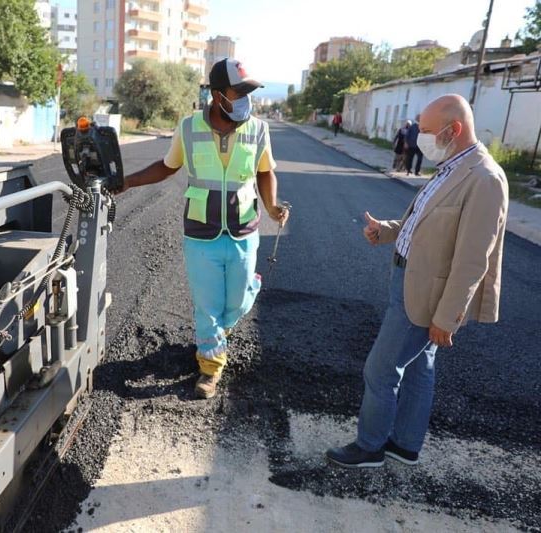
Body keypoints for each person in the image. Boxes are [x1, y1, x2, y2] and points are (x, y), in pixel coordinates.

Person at [326, 94, 509, 468]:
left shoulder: (484, 179)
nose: (416, 140)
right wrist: (389, 230)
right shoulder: (451, 167)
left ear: (453, 130)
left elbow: (474, 258)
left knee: (380, 368)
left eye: (424, 132)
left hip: (427, 296)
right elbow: (429, 222)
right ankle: (405, 445)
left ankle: (370, 446)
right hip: (410, 280)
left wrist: (448, 316)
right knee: (418, 368)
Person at [119, 58, 290, 399]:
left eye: (248, 92)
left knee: (237, 302)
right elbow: (167, 167)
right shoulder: (189, 127)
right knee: (207, 306)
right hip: (201, 233)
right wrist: (125, 182)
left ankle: (244, 296)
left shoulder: (258, 129)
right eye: (238, 92)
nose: (245, 99)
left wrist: (272, 206)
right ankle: (210, 367)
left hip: (243, 230)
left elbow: (265, 171)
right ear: (217, 95)